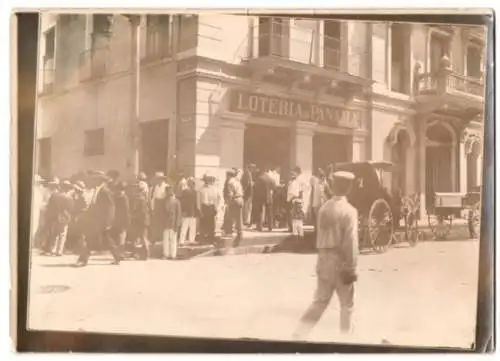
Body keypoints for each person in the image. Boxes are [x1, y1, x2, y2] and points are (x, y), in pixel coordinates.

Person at [292, 171, 359, 340]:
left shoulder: (324, 208)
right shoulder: (350, 211)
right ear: (349, 188)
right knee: (347, 304)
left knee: (320, 301)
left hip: (323, 258)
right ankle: (346, 341)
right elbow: (350, 241)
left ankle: (299, 334)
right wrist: (351, 266)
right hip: (341, 261)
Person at [76, 171, 121, 267]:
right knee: (89, 238)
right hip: (95, 221)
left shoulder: (105, 191)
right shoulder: (97, 190)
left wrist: (108, 222)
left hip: (102, 221)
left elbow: (111, 207)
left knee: (106, 240)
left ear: (100, 181)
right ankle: (84, 259)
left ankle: (117, 256)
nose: (92, 181)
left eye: (94, 179)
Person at [45, 180, 75, 256]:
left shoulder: (54, 195)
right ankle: (59, 251)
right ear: (68, 189)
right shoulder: (69, 198)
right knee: (62, 234)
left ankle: (52, 249)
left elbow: (49, 206)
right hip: (64, 217)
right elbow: (71, 209)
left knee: (54, 234)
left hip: (54, 217)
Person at [128, 181, 150, 260]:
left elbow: (138, 211)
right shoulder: (143, 198)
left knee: (142, 237)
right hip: (141, 220)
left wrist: (132, 216)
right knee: (137, 237)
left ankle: (146, 254)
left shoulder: (139, 199)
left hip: (140, 221)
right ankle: (135, 253)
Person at [199, 174, 221, 244]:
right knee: (203, 224)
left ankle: (211, 238)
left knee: (211, 224)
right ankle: (202, 239)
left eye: (208, 180)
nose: (207, 181)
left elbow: (218, 199)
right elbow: (199, 201)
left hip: (211, 207)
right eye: (206, 180)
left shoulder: (214, 189)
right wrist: (199, 210)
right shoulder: (200, 189)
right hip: (204, 207)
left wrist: (216, 208)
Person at [224, 169, 244, 246]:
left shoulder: (230, 182)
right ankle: (240, 233)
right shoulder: (237, 181)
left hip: (235, 199)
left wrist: (228, 202)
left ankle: (229, 232)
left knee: (229, 215)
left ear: (229, 175)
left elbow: (230, 194)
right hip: (240, 198)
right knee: (239, 218)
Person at [163, 184, 182, 260]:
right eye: (167, 191)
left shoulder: (176, 201)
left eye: (169, 191)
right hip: (166, 223)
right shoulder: (164, 201)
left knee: (173, 240)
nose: (168, 193)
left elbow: (178, 214)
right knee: (166, 240)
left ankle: (173, 254)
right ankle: (166, 254)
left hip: (173, 223)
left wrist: (177, 224)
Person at [149, 172, 169, 245]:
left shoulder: (166, 186)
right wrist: (152, 208)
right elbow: (153, 198)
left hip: (163, 206)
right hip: (157, 206)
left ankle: (162, 238)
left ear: (163, 179)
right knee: (155, 223)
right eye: (157, 179)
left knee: (163, 223)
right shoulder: (155, 187)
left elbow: (168, 197)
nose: (158, 180)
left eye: (160, 179)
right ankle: (155, 237)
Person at [112, 181, 131, 255]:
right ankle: (119, 253)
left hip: (123, 220)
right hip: (117, 220)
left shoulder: (124, 198)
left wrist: (126, 222)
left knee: (121, 238)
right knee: (119, 237)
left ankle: (120, 253)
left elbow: (126, 211)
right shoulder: (118, 197)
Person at [179, 177, 199, 245]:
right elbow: (183, 202)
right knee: (184, 227)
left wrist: (196, 212)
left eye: (193, 182)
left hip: (192, 212)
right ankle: (182, 241)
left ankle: (191, 240)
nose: (193, 184)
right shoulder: (185, 191)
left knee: (192, 228)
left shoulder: (195, 191)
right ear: (188, 183)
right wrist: (183, 211)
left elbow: (196, 203)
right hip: (187, 212)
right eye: (192, 182)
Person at [309, 168, 328, 234]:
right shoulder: (315, 182)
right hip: (316, 203)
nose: (323, 179)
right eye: (321, 177)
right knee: (317, 217)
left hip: (323, 203)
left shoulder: (324, 184)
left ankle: (321, 230)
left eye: (324, 177)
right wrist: (320, 171)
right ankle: (317, 230)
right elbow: (311, 180)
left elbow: (327, 190)